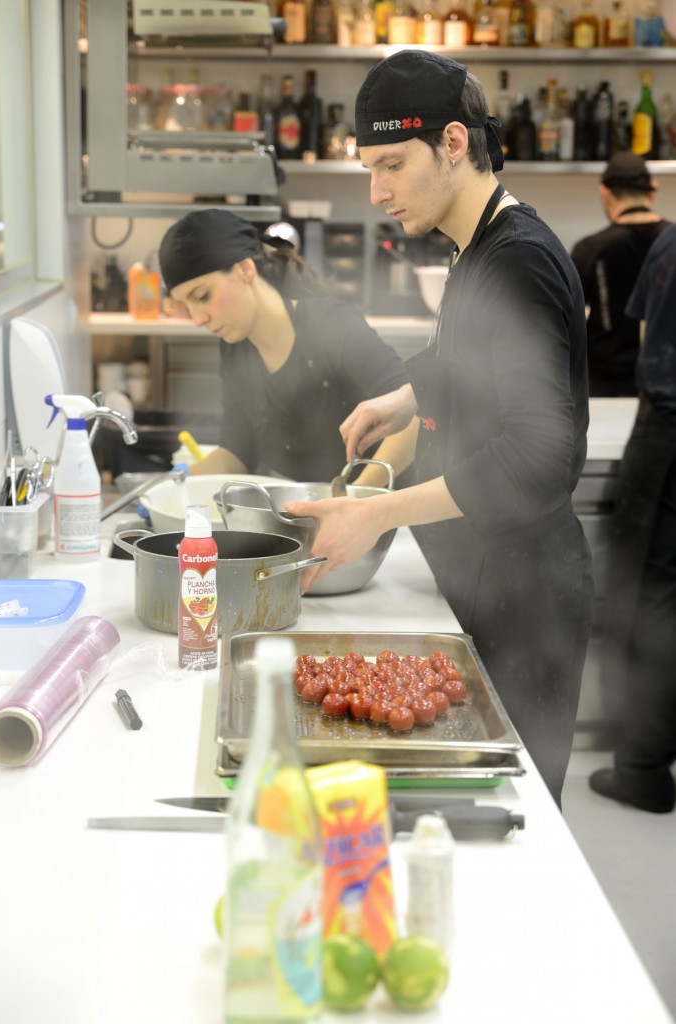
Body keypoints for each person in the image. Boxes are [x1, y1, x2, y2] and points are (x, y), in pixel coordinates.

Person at [285, 50, 594, 808]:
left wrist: (374, 513)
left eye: (391, 163)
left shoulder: (514, 260)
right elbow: (471, 348)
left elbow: (535, 454)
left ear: (453, 143)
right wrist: (407, 393)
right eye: (368, 167)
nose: (377, 190)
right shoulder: (478, 247)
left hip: (526, 595)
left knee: (505, 819)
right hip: (485, 571)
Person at [157, 209, 418, 486]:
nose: (198, 319)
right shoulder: (235, 349)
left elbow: (416, 412)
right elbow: (237, 452)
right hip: (298, 513)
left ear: (244, 269)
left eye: (202, 296)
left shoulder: (332, 325)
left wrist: (355, 501)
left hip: (381, 515)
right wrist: (170, 485)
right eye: (187, 305)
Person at [589, 223, 676, 814]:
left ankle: (642, 767)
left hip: (667, 432)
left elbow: (646, 336)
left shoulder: (671, 245)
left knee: (653, 592)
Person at [570, 152, 670, 397]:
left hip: (604, 389)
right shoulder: (672, 244)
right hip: (667, 389)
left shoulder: (590, 249)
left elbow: (565, 324)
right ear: (652, 191)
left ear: (604, 192)